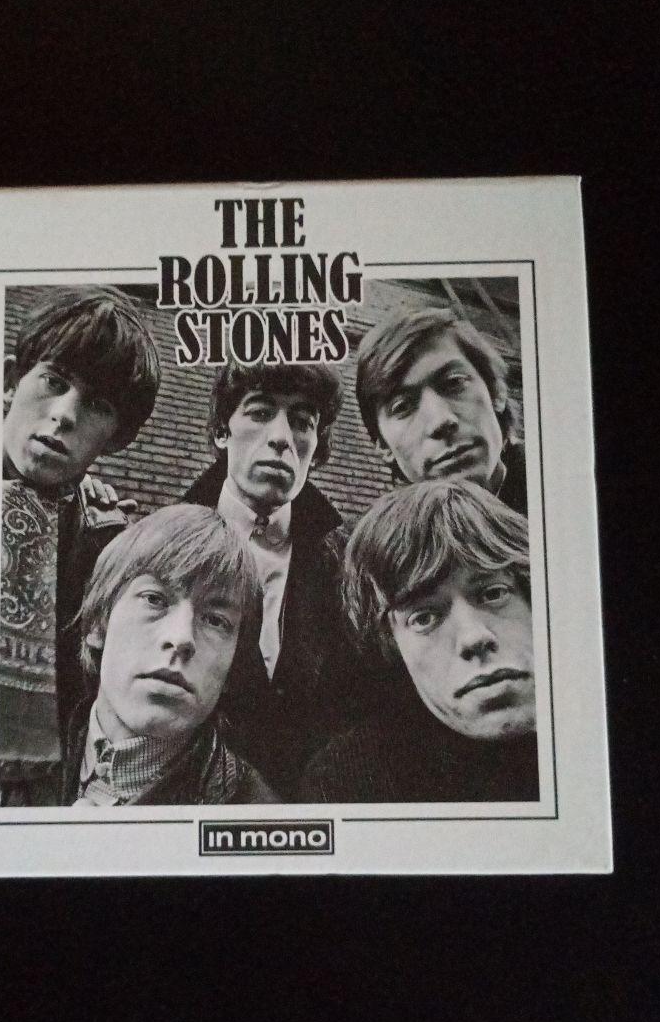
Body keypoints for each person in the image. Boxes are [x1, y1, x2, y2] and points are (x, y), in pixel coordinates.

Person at [0, 286, 161, 805]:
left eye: (97, 405)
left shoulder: (107, 546)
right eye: (54, 381)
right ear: (10, 381)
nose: (65, 414)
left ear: (117, 438)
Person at [298, 480, 539, 803]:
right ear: (391, 643)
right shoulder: (350, 783)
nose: (474, 637)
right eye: (424, 618)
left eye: (493, 593)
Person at [181, 361, 356, 797]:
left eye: (302, 422)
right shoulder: (164, 543)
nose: (281, 437)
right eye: (260, 413)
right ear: (222, 432)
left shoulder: (349, 564)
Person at [60, 505, 278, 805]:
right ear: (99, 622)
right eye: (154, 599)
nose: (180, 638)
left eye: (215, 620)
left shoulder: (254, 813)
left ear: (234, 662)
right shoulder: (17, 752)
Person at [355, 307, 527, 513]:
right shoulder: (377, 534)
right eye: (402, 407)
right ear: (384, 445)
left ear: (497, 392)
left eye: (454, 383)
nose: (441, 420)